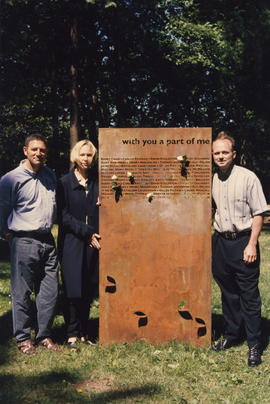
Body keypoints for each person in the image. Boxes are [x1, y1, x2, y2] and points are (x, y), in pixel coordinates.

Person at [0, 132, 61, 355]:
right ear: (25, 151)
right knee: (22, 293)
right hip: (23, 240)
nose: (39, 153)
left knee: (49, 292)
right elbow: (1, 209)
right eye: (34, 149)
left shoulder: (49, 175)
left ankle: (44, 335)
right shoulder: (11, 179)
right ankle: (24, 339)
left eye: (42, 150)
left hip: (47, 240)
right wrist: (7, 235)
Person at [212, 131, 268, 367]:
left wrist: (252, 244)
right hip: (221, 242)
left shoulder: (248, 178)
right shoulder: (213, 179)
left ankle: (254, 345)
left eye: (225, 152)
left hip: (243, 241)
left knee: (249, 297)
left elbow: (259, 213)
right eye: (216, 153)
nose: (221, 156)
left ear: (234, 154)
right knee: (228, 294)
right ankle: (233, 334)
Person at [57, 139, 101, 350]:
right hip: (72, 242)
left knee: (88, 288)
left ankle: (85, 332)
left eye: (89, 155)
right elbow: (63, 216)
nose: (85, 159)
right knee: (73, 288)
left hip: (93, 243)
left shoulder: (97, 182)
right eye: (82, 154)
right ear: (76, 156)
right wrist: (87, 232)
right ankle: (71, 334)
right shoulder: (64, 182)